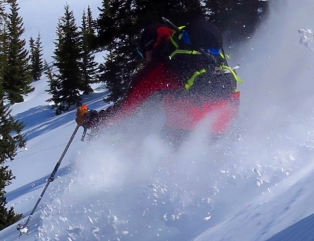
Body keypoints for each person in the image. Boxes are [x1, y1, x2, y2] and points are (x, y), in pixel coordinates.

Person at [76, 17, 242, 146]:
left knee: (149, 155)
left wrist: (93, 120)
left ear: (150, 46)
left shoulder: (160, 66)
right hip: (226, 120)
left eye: (143, 54)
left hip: (188, 129)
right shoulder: (200, 53)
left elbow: (127, 107)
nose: (144, 60)